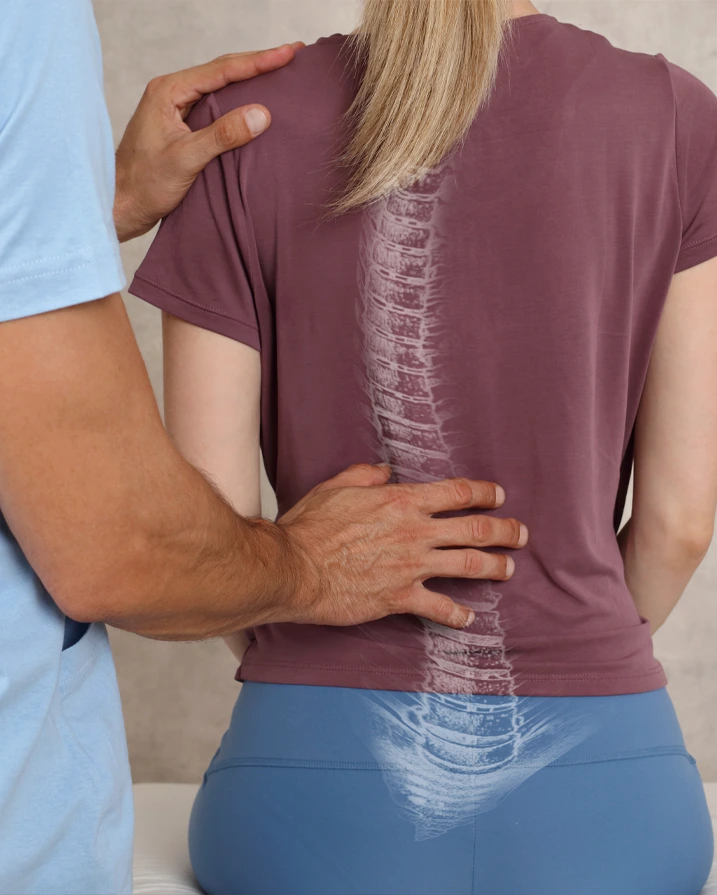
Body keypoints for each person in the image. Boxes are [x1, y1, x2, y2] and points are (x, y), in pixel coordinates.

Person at [129, 0, 717, 893]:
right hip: (608, 812)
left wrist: (303, 649)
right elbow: (677, 527)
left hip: (305, 808)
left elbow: (211, 523)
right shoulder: (675, 117)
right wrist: (575, 644)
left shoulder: (239, 127)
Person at [0, 2, 527, 893]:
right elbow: (118, 548)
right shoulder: (679, 115)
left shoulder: (248, 140)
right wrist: (310, 564)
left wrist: (87, 209)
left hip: (293, 794)